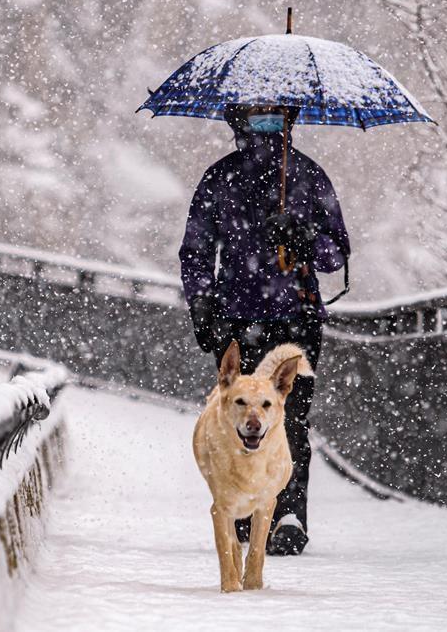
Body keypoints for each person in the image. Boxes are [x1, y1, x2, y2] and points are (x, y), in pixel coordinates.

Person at [179, 104, 350, 556]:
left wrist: (304, 236)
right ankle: (240, 507)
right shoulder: (221, 179)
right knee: (236, 418)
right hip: (235, 322)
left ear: (290, 121)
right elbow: (195, 251)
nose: (266, 125)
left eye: (275, 116)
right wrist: (202, 306)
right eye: (256, 116)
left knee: (289, 420)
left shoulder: (310, 178)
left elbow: (336, 256)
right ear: (237, 120)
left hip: (297, 322)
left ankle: (286, 516)